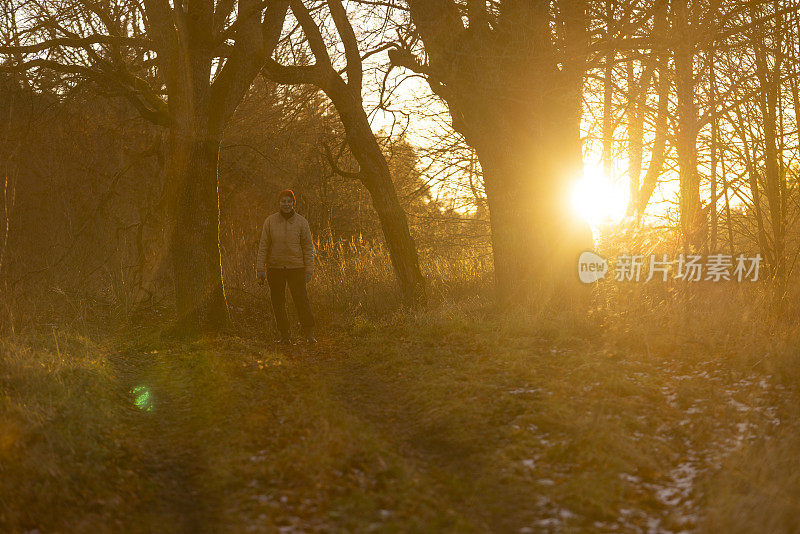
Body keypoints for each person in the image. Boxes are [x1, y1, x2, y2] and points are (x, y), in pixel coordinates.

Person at [256, 189, 317, 344]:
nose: (286, 204)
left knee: (301, 300)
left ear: (293, 203)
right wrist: (260, 269)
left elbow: (308, 247)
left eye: (289, 201)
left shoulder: (302, 222)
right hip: (275, 268)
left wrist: (309, 270)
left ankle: (309, 333)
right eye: (283, 201)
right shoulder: (270, 221)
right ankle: (285, 335)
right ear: (279, 202)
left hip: (296, 268)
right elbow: (263, 246)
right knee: (278, 302)